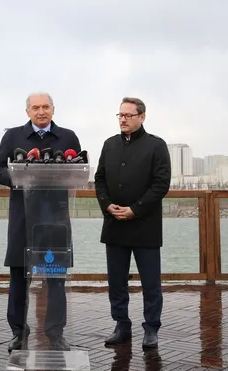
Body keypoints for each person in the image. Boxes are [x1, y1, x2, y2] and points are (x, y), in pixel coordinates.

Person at [0, 92, 81, 352]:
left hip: (56, 219)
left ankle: (55, 334)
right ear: (27, 111)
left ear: (53, 109)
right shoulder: (13, 136)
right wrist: (17, 177)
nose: (41, 112)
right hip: (23, 218)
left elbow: (77, 167)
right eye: (36, 107)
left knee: (56, 278)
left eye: (46, 107)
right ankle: (18, 333)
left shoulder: (68, 137)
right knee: (19, 279)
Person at [94, 96, 171, 350]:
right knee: (116, 282)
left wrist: (135, 210)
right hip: (115, 223)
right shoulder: (109, 144)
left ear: (142, 117)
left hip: (145, 225)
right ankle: (121, 325)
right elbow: (99, 179)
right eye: (120, 115)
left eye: (128, 115)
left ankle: (151, 328)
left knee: (151, 283)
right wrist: (107, 205)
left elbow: (161, 184)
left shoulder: (156, 145)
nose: (123, 119)